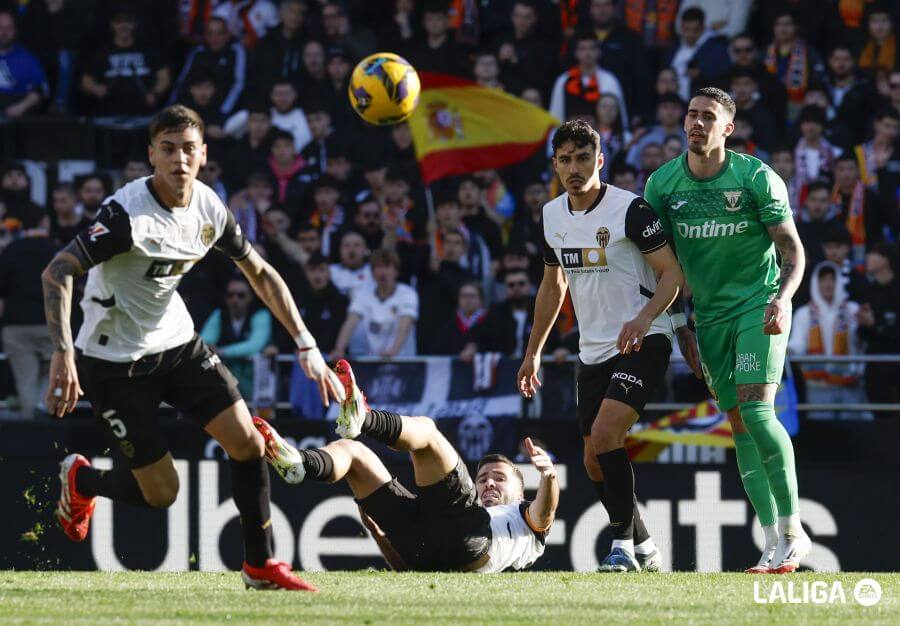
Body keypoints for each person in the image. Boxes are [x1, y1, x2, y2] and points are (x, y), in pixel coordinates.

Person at [42, 105, 344, 591]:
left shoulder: (209, 207)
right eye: (168, 149)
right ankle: (82, 481)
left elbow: (261, 274)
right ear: (151, 157)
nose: (179, 159)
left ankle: (260, 566)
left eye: (188, 149)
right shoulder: (126, 216)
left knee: (247, 443)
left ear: (203, 155)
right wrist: (63, 352)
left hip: (178, 345)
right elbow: (57, 271)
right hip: (113, 361)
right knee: (162, 494)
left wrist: (306, 344)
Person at [644, 87, 810, 573]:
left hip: (760, 307)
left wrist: (783, 298)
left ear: (727, 128)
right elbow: (660, 269)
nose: (696, 123)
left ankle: (794, 532)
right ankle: (770, 542)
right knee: (737, 426)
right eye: (691, 115)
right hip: (708, 319)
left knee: (758, 411)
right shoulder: (662, 185)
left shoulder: (757, 178)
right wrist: (680, 328)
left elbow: (793, 251)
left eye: (708, 117)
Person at [517, 120, 683, 573]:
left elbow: (672, 273)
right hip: (592, 350)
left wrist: (645, 318)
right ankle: (646, 546)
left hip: (643, 339)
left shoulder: (630, 210)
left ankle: (623, 549)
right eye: (565, 160)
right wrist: (532, 351)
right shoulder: (552, 216)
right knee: (593, 461)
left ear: (600, 160)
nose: (574, 168)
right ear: (554, 164)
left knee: (609, 437)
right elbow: (553, 287)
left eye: (583, 158)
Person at [255, 359, 558, 573]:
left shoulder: (525, 521)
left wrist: (548, 476)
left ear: (521, 493)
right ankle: (300, 463)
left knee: (426, 432)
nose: (488, 483)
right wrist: (381, 536)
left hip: (470, 538)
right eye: (482, 478)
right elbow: (411, 567)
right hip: (427, 546)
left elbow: (544, 512)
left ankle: (365, 418)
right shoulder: (474, 509)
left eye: (499, 478)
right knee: (352, 453)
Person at [788, 262, 866, 420]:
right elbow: (797, 345)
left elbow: (862, 342)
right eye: (823, 280)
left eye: (832, 279)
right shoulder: (804, 313)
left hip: (849, 384)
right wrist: (786, 350)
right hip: (818, 387)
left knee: (855, 431)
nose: (828, 284)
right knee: (823, 431)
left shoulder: (853, 310)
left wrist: (867, 324)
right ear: (816, 283)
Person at [0, 205, 55, 419]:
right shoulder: (55, 250)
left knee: (25, 381)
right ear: (44, 222)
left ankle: (30, 426)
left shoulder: (10, 251)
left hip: (16, 326)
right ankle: (44, 413)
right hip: (51, 324)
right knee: (51, 375)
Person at [331, 248, 418, 359]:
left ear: (396, 271)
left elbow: (405, 325)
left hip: (403, 361)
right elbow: (350, 322)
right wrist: (339, 349)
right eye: (378, 267)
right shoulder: (363, 294)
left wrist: (392, 352)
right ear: (372, 272)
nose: (382, 272)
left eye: (387, 267)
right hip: (374, 362)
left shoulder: (408, 293)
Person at [200, 277, 272, 400]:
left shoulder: (260, 315)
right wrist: (213, 350)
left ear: (250, 297)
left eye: (241, 295)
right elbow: (204, 342)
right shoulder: (219, 314)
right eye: (230, 295)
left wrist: (222, 352)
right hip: (224, 371)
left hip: (252, 376)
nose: (235, 299)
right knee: (202, 366)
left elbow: (254, 345)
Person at [857, 244, 900, 418]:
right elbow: (862, 334)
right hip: (875, 366)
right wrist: (864, 323)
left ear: (885, 259)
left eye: (873, 253)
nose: (868, 257)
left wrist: (876, 325)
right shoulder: (868, 290)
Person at [549, 35, 628, 127]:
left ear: (599, 52)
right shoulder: (563, 80)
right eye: (583, 48)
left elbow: (619, 115)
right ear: (576, 53)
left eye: (592, 48)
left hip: (601, 138)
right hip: (569, 137)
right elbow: (556, 113)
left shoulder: (609, 80)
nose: (587, 53)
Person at [0, 9, 47, 118]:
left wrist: (20, 107)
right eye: (0, 28)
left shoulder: (27, 58)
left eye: (9, 28)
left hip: (14, 113)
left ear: (15, 30)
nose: (4, 33)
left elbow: (41, 89)